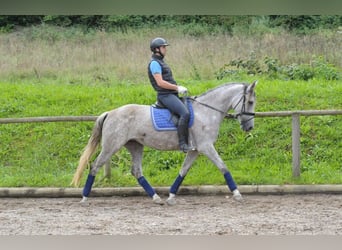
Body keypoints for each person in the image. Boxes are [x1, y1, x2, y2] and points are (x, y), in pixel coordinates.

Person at [147, 37, 195, 153]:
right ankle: (183, 144)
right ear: (157, 49)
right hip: (165, 96)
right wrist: (177, 88)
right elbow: (160, 82)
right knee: (185, 113)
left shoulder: (161, 62)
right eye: (163, 47)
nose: (165, 49)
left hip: (171, 94)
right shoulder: (154, 63)